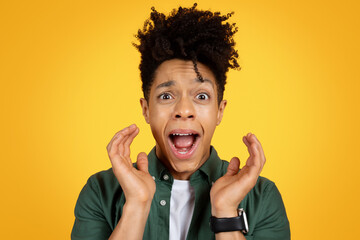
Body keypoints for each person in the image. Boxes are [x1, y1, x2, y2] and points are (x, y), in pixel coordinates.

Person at [71, 3, 290, 240]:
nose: (184, 110)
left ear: (219, 111)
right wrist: (136, 206)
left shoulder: (262, 196)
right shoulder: (101, 190)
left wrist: (226, 212)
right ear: (146, 110)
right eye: (166, 96)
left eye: (201, 96)